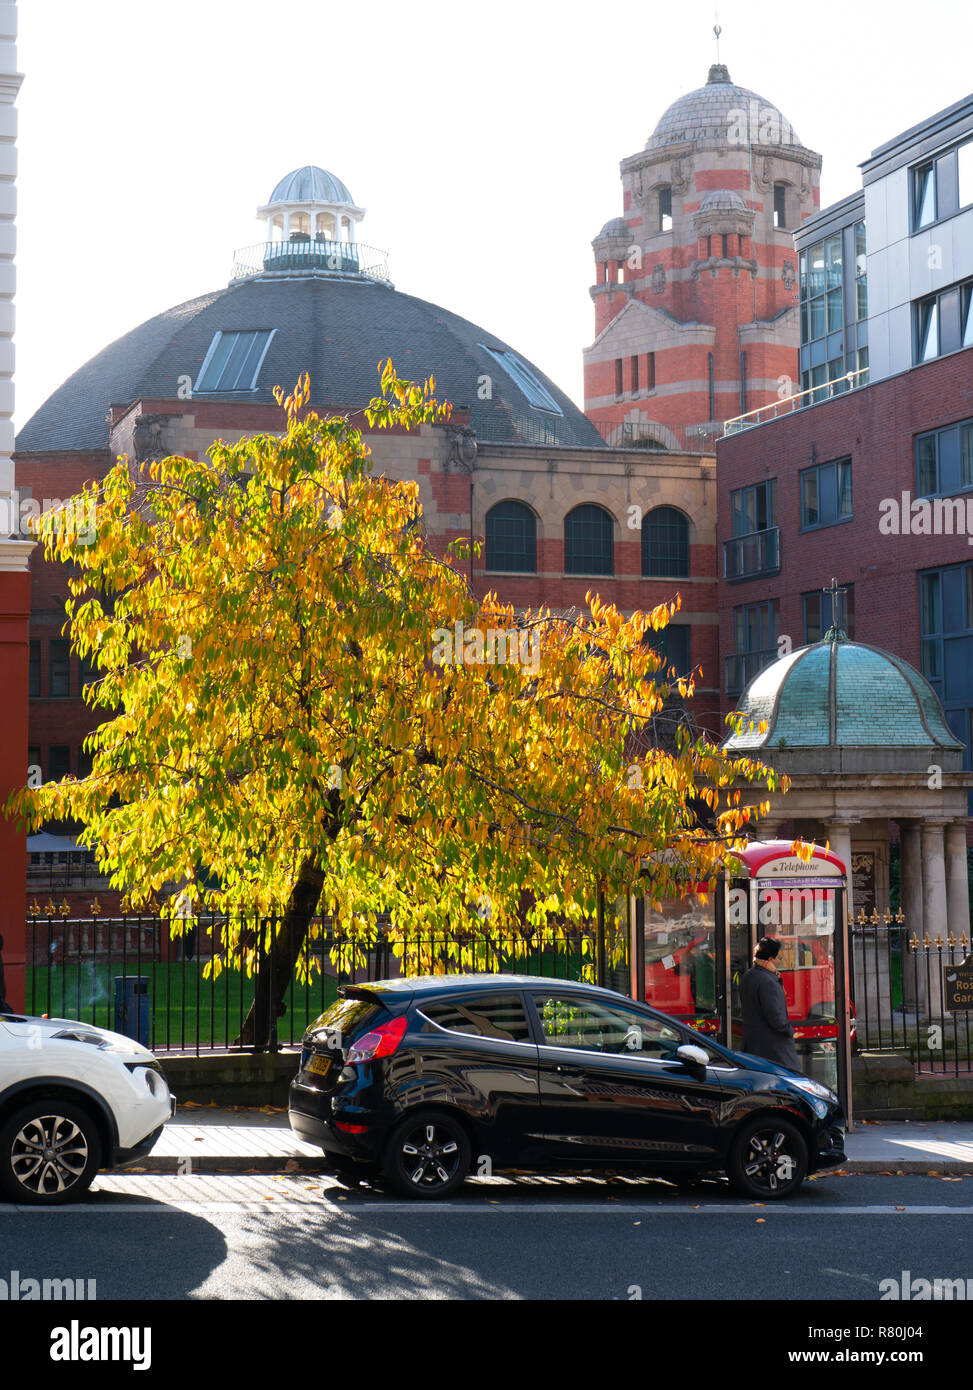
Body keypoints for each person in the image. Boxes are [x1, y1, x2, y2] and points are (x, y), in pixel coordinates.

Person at [738, 935, 801, 1071]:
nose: (780, 961)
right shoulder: (768, 981)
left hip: (753, 1046)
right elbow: (775, 1017)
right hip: (773, 1049)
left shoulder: (748, 976)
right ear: (770, 959)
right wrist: (788, 1030)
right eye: (779, 958)